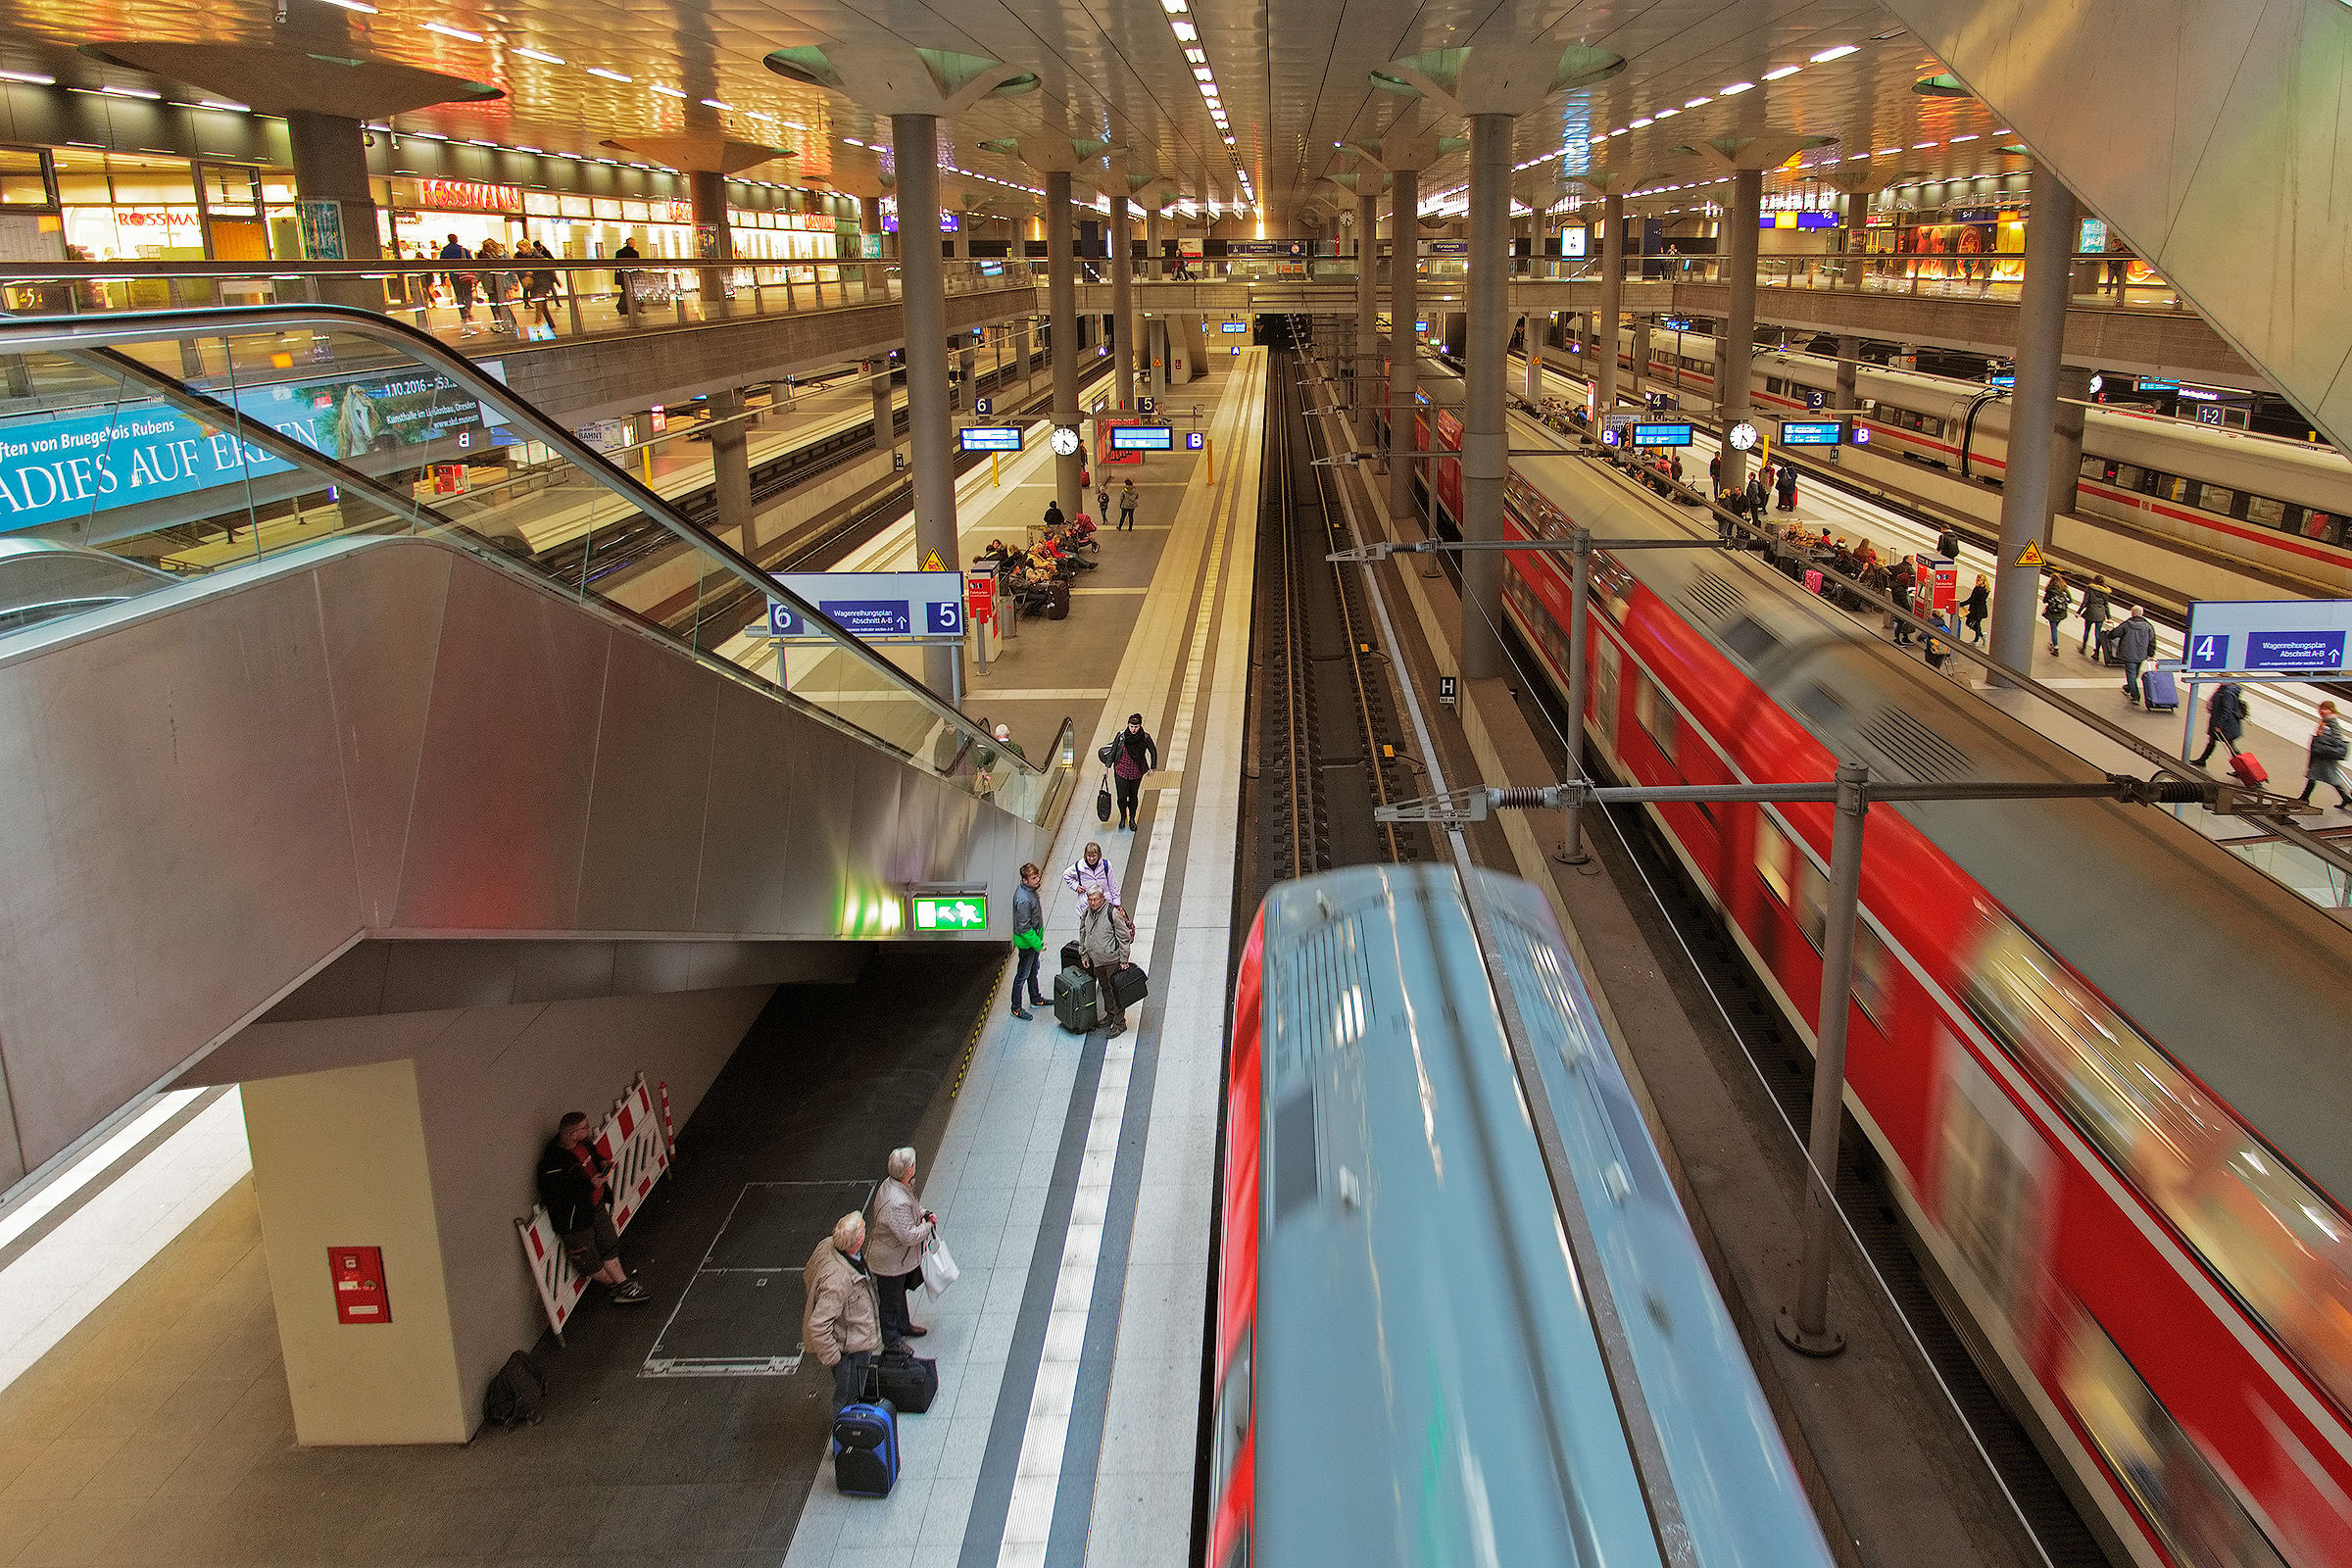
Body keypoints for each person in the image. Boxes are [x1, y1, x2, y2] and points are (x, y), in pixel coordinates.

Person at [535, 1112, 651, 1303]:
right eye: (584, 1127)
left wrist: (602, 1162)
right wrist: (591, 1185)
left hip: (594, 1206)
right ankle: (622, 1285)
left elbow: (593, 1157)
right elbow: (561, 1195)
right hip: (575, 1220)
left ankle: (621, 1284)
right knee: (588, 1261)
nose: (588, 1129)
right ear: (573, 1134)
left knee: (609, 1244)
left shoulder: (584, 1144)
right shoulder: (553, 1164)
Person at [803, 1212, 882, 1414]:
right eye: (863, 1229)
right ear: (858, 1240)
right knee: (847, 1398)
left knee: (852, 1393)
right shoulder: (837, 1281)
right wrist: (834, 1358)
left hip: (854, 1338)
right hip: (850, 1350)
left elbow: (809, 1274)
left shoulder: (828, 1244)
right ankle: (845, 1437)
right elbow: (818, 1325)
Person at [865, 1148, 937, 1347]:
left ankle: (904, 1325)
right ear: (908, 1170)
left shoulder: (894, 1185)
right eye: (913, 1164)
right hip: (889, 1261)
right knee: (890, 1301)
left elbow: (911, 1209)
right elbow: (909, 1235)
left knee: (898, 1294)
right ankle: (892, 1340)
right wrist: (928, 1225)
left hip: (898, 1258)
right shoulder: (895, 1201)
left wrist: (924, 1213)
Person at [1075, 888, 1135, 1039]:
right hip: (1097, 961)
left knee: (1116, 992)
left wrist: (1124, 960)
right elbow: (1083, 933)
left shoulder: (1112, 913)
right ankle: (1111, 1014)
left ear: (1102, 898)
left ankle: (1120, 1023)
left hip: (1112, 961)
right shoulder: (1087, 913)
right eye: (1090, 899)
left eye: (1095, 899)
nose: (1092, 902)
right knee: (1105, 989)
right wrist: (1084, 955)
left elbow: (1124, 937)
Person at [1010, 862, 1049, 1019]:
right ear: (1025, 880)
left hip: (1032, 942)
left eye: (1037, 876)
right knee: (1023, 974)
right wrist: (1038, 944)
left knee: (1033, 970)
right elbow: (1024, 928)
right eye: (1033, 878)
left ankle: (1035, 998)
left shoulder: (1029, 891)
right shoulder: (1024, 899)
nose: (1037, 879)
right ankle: (1016, 1007)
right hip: (1027, 944)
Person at [1109, 711, 1158, 831]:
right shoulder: (1121, 736)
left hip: (1136, 773)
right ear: (1128, 725)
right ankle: (1123, 817)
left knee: (1133, 796)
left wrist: (1152, 767)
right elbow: (1114, 751)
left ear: (1140, 726)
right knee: (1121, 797)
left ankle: (1132, 818)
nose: (1133, 729)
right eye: (1131, 726)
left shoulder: (1145, 738)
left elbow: (1153, 751)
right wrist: (1107, 766)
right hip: (1121, 771)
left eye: (1136, 727)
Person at [2299, 701, 2351, 808]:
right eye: (2320, 709)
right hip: (2321, 755)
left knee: (2318, 776)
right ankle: (2345, 798)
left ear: (2331, 710)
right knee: (2320, 777)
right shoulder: (2326, 721)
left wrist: (2323, 738)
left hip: (2325, 757)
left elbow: (2337, 741)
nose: (2321, 711)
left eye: (2324, 709)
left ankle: (2304, 798)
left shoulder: (2333, 723)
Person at [2193, 681, 2250, 767]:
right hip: (2220, 721)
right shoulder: (2223, 689)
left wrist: (2219, 724)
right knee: (2212, 741)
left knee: (2231, 746)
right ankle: (2202, 760)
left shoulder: (2227, 693)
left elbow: (2227, 710)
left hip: (2226, 725)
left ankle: (2243, 767)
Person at [2115, 605, 2157, 705]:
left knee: (2131, 675)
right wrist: (2151, 654)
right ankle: (2129, 687)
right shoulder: (2148, 626)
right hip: (2141, 654)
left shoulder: (2127, 624)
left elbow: (2116, 632)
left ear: (2132, 614)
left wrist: (2109, 635)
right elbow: (2152, 641)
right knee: (2135, 673)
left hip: (2129, 653)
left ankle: (2136, 696)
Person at [439, 233, 478, 336]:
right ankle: (468, 309)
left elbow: (441, 264)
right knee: (468, 293)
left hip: (453, 275)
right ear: (456, 239)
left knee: (459, 294)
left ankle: (463, 315)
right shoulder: (462, 250)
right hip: (464, 274)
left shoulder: (445, 251)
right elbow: (471, 262)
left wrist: (442, 277)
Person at [475, 237, 516, 334]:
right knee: (494, 303)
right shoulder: (485, 256)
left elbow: (511, 269)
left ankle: (508, 322)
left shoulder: (503, 255)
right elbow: (482, 270)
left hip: (501, 282)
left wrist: (513, 282)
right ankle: (500, 322)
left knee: (502, 303)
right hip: (490, 283)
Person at [1063, 841, 1120, 906]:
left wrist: (1116, 902)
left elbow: (1113, 885)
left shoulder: (1106, 865)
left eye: (1094, 856)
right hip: (1087, 904)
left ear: (1099, 855)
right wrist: (1076, 886)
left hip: (1105, 902)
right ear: (1085, 855)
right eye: (1089, 856)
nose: (1091, 858)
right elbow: (1066, 874)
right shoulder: (1079, 866)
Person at [519, 238, 559, 334]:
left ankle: (538, 322)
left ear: (527, 246)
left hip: (542, 281)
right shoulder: (521, 257)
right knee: (542, 304)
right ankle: (551, 323)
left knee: (539, 302)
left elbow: (548, 268)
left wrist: (555, 280)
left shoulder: (537, 256)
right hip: (534, 283)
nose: (521, 250)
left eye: (521, 248)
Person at [2078, 574, 2113, 657]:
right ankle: (2096, 652)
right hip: (2100, 614)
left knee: (2087, 630)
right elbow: (2106, 605)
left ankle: (2083, 647)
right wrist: (2109, 617)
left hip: (2090, 612)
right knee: (2097, 633)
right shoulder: (2105, 592)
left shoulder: (2090, 589)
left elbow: (2085, 601)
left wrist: (2079, 611)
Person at [2041, 571, 2072, 653]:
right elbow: (2070, 600)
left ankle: (2056, 647)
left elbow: (2044, 600)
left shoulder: (2050, 590)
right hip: (2062, 612)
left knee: (2053, 629)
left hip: (2053, 612)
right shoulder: (2064, 589)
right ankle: (2052, 642)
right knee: (2055, 628)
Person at [1890, 559, 1917, 646]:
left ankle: (1905, 638)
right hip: (1901, 608)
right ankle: (1897, 638)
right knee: (1901, 623)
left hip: (1897, 606)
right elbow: (1904, 601)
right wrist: (1909, 610)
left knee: (1902, 623)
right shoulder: (1900, 589)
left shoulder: (1897, 586)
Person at [612, 237, 640, 318]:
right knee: (630, 291)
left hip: (622, 275)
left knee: (625, 290)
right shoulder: (634, 253)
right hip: (631, 275)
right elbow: (636, 266)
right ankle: (625, 306)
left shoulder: (619, 252)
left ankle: (624, 307)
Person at [1963, 573, 1990, 645]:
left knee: (1969, 623)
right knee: (1977, 624)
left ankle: (1976, 640)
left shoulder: (1977, 589)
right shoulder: (1986, 589)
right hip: (1982, 609)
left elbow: (1971, 600)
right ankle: (1980, 636)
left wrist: (1960, 604)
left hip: (1975, 609)